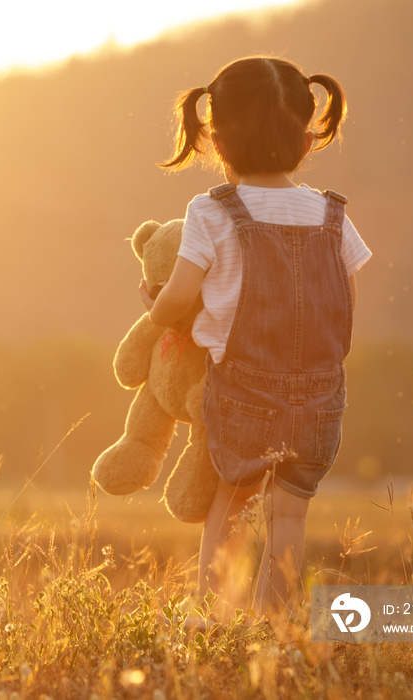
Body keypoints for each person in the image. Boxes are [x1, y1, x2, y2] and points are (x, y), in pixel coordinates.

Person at [139, 56, 371, 619]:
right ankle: (275, 624)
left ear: (215, 138)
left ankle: (212, 618)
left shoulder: (212, 212)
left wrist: (154, 311)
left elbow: (177, 296)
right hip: (319, 396)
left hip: (243, 392)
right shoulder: (332, 214)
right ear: (309, 133)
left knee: (232, 500)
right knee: (290, 516)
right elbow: (346, 306)